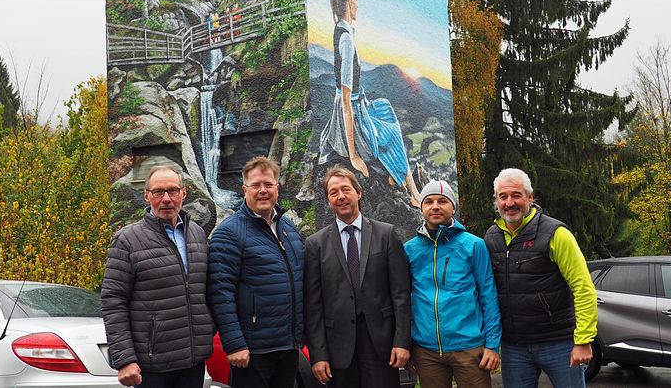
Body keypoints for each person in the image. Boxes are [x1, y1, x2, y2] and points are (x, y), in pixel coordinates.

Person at [484, 168, 598, 388]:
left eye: (516, 195)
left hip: (558, 343)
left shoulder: (556, 234)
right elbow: (487, 293)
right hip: (514, 347)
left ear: (530, 197)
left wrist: (583, 340)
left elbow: (583, 288)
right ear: (496, 200)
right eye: (503, 196)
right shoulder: (491, 237)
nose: (509, 203)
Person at [101, 165, 213, 388]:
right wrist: (125, 360)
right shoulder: (127, 240)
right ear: (146, 196)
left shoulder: (197, 234)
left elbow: (204, 291)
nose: (166, 199)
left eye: (172, 191)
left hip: (193, 360)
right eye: (158, 192)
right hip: (151, 365)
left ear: (184, 193)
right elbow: (113, 301)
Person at [318, 0, 420, 207]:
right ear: (350, 0)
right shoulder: (345, 39)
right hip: (350, 116)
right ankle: (411, 190)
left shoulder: (344, 32)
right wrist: (353, 155)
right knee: (390, 133)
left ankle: (408, 184)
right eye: (357, 1)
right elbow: (345, 101)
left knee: (385, 107)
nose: (358, 7)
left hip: (358, 103)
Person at [304, 165, 411, 388]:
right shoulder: (315, 245)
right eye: (333, 192)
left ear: (358, 193)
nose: (341, 196)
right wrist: (318, 354)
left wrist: (402, 342)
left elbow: (400, 294)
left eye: (346, 189)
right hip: (338, 350)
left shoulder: (386, 235)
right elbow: (313, 305)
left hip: (382, 345)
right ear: (328, 200)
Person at [208, 156, 304, 388]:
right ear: (244, 190)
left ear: (277, 188)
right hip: (252, 351)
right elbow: (220, 293)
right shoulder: (228, 233)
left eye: (268, 185)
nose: (263, 190)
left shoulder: (288, 227)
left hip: (288, 345)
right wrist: (234, 344)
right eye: (256, 185)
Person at [404, 180, 502, 388]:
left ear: (453, 207)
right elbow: (403, 299)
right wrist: (408, 345)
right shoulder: (409, 249)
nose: (435, 206)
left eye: (442, 201)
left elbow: (488, 295)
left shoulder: (474, 245)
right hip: (426, 350)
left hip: (468, 347)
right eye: (428, 201)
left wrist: (492, 345)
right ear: (421, 207)